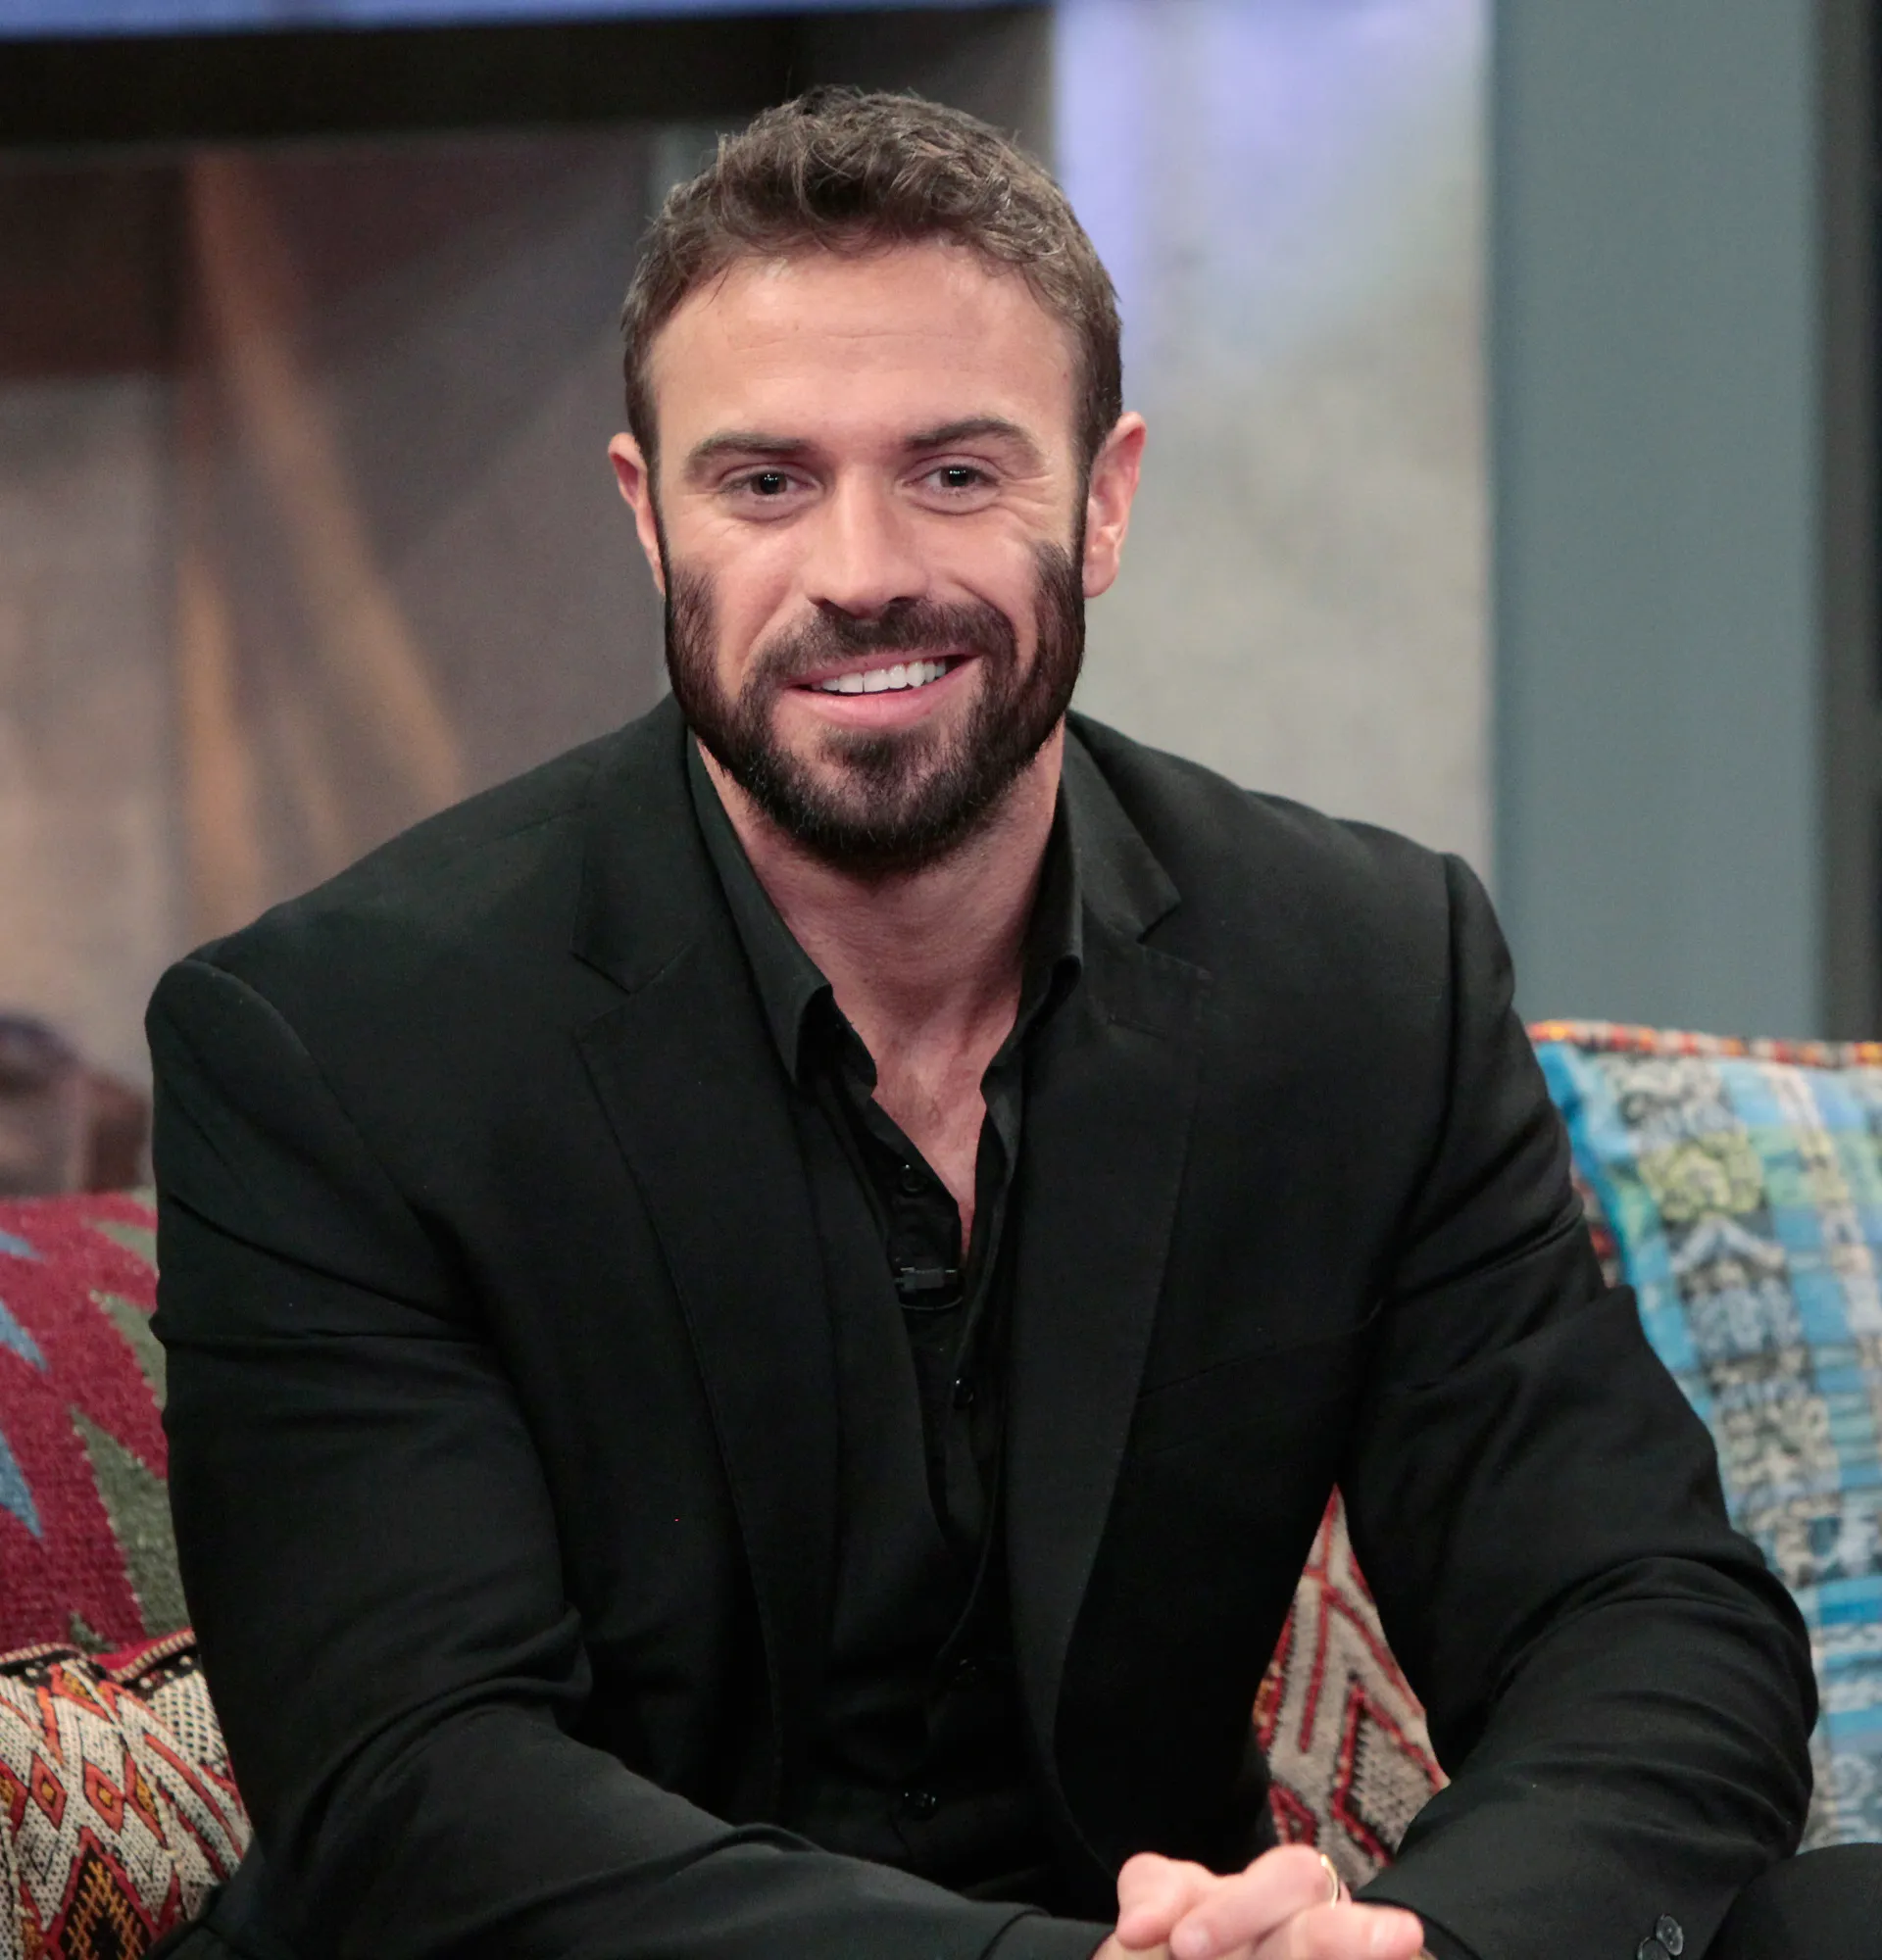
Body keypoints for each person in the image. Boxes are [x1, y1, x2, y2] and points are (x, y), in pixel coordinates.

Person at [147, 91, 1866, 1960]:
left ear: (1102, 500)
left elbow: (1648, 1617)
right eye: (765, 483)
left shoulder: (1365, 975)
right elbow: (419, 1793)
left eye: (956, 473)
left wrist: (1421, 1948)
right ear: (650, 519)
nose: (862, 568)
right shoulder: (334, 1046)